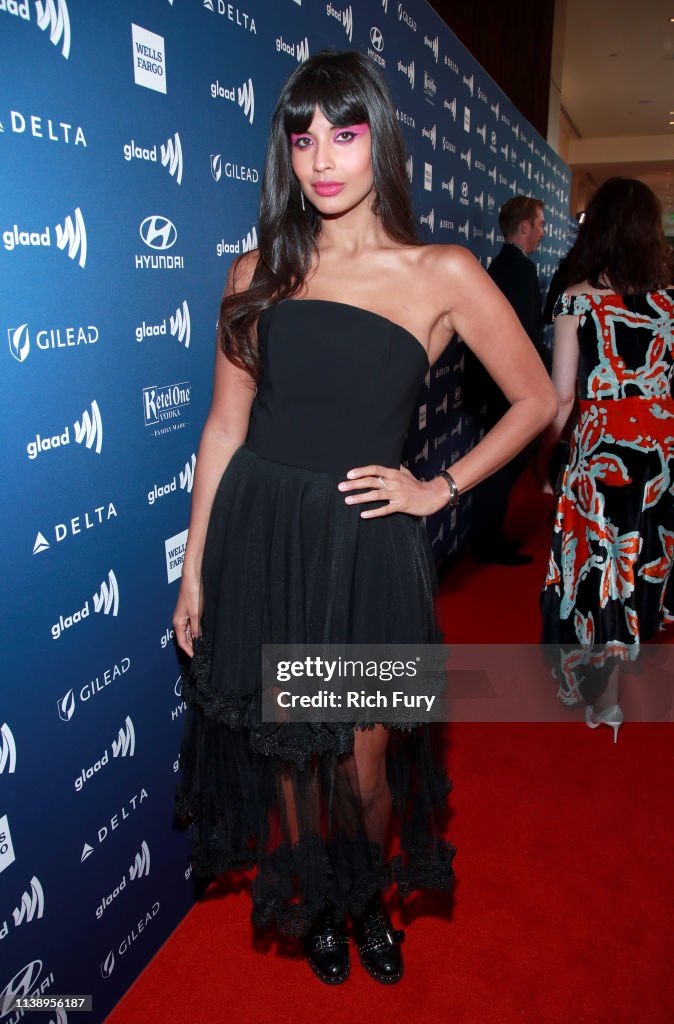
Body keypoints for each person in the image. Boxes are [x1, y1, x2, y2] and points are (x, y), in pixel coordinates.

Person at [172, 51, 556, 986]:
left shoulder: (441, 271)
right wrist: (195, 567)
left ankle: (366, 897)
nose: (322, 159)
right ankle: (318, 907)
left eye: (344, 134)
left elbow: (537, 399)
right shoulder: (256, 270)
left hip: (364, 549)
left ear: (379, 138)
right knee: (293, 766)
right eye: (302, 139)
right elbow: (225, 428)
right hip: (267, 539)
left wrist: (441, 487)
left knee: (364, 771)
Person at [537, 177, 674, 741]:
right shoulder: (669, 301)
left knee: (604, 565)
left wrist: (546, 457)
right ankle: (620, 670)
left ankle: (607, 697)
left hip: (603, 449)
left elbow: (562, 396)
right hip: (661, 448)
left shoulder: (577, 297)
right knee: (640, 555)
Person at [465, 196, 546, 566]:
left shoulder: (500, 265)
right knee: (503, 462)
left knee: (502, 461)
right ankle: (487, 540)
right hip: (509, 386)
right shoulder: (520, 270)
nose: (543, 232)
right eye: (540, 224)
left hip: (494, 383)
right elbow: (523, 335)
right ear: (524, 226)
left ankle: (489, 536)